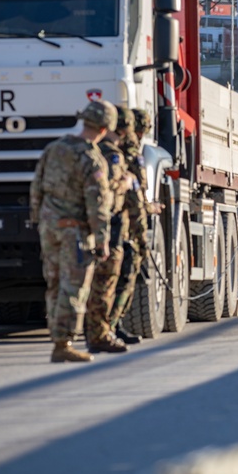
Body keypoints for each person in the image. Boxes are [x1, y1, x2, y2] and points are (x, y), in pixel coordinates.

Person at [29, 100, 115, 363]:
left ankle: (57, 338)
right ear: (103, 128)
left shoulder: (54, 149)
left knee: (54, 283)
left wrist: (39, 220)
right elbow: (97, 204)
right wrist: (102, 239)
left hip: (49, 228)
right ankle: (63, 343)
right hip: (74, 233)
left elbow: (37, 187)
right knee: (73, 287)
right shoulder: (91, 158)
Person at [84, 106, 136, 353]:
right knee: (106, 282)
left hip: (106, 223)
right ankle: (100, 333)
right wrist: (125, 183)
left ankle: (105, 330)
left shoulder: (90, 151)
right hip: (109, 223)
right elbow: (107, 189)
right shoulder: (110, 153)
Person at [110, 107, 151, 342]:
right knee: (124, 273)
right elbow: (136, 195)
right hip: (121, 222)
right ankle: (111, 326)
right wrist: (142, 238)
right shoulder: (130, 150)